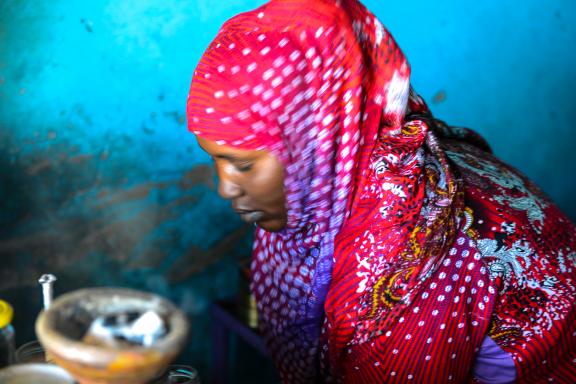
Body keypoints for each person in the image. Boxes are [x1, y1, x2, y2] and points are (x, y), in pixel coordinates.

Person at [186, 0, 576, 382]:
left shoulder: (405, 261)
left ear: (312, 145)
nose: (225, 188)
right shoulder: (358, 162)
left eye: (244, 165)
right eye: (217, 160)